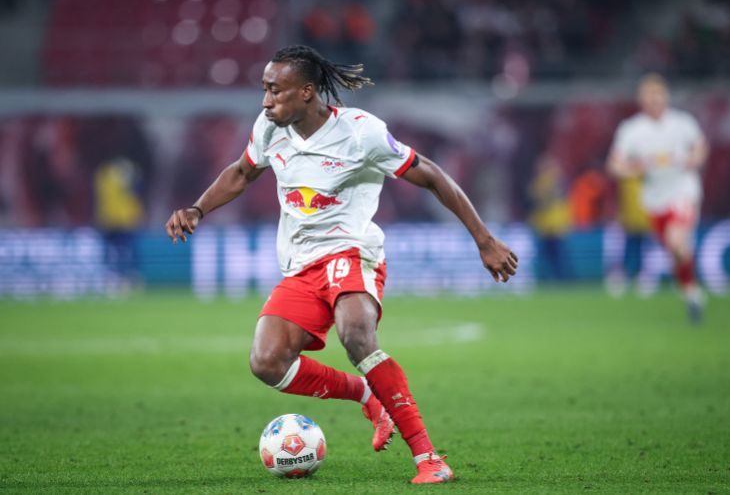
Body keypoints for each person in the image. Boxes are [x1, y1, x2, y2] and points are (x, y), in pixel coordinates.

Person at [164, 45, 518, 484]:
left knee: (355, 335)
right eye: (264, 90)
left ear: (307, 93)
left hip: (352, 252)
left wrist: (483, 240)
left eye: (275, 91)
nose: (265, 100)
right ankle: (366, 394)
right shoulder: (270, 128)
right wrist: (198, 210)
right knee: (267, 361)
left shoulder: (360, 133)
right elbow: (241, 172)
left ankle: (429, 458)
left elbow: (430, 173)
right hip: (301, 265)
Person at [607, 73, 708, 321]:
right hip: (654, 198)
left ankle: (689, 284)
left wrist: (695, 158)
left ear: (666, 97)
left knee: (676, 241)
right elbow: (615, 165)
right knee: (675, 251)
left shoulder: (682, 123)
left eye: (658, 95)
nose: (655, 100)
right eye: (649, 96)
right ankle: (692, 293)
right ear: (641, 100)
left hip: (683, 188)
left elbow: (700, 146)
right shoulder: (631, 129)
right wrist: (634, 169)